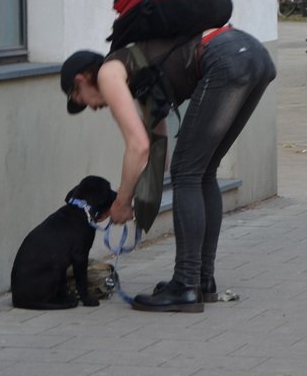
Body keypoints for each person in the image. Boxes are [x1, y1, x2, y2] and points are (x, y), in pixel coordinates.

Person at [60, 23, 276, 312]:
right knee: (202, 170)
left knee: (188, 173)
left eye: (79, 100)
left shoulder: (109, 73)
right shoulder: (137, 72)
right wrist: (145, 198)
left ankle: (186, 285)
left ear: (81, 80)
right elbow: (156, 135)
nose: (89, 107)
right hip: (252, 54)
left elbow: (138, 147)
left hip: (225, 59)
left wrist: (122, 203)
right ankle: (201, 280)